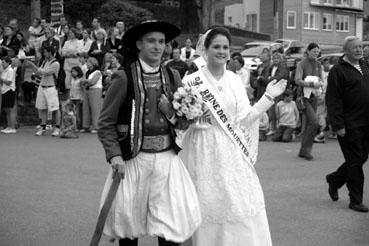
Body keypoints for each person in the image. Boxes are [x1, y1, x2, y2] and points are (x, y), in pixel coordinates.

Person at [97, 20, 201, 246]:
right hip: (134, 160)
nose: (157, 47)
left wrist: (169, 111)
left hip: (167, 160)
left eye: (162, 42)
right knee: (128, 227)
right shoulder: (123, 77)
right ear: (139, 44)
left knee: (170, 226)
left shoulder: (173, 76)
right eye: (151, 41)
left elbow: (184, 122)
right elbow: (105, 122)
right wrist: (115, 155)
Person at [180, 27, 287, 246]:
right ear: (206, 50)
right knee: (209, 200)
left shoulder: (235, 80)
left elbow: (245, 118)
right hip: (204, 148)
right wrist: (198, 119)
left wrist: (268, 97)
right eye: (216, 47)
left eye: (225, 47)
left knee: (238, 200)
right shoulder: (191, 81)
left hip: (232, 149)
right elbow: (182, 120)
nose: (221, 51)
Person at [326, 36, 369, 213]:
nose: (359, 50)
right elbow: (333, 99)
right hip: (349, 124)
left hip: (366, 122)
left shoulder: (365, 65)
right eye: (355, 48)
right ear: (346, 50)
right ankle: (355, 200)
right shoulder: (337, 70)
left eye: (360, 47)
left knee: (361, 158)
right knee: (355, 162)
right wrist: (338, 125)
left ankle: (334, 180)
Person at [295, 43, 323, 160]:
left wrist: (320, 85)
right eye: (314, 52)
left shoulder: (318, 64)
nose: (316, 54)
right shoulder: (301, 64)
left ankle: (304, 150)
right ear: (308, 51)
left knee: (309, 124)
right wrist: (312, 84)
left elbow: (320, 79)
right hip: (303, 98)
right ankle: (306, 150)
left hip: (314, 97)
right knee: (314, 122)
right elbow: (297, 80)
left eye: (317, 52)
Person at [25, 46, 61, 136]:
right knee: (42, 108)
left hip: (51, 87)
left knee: (55, 108)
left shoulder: (56, 63)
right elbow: (39, 72)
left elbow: (45, 72)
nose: (44, 54)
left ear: (50, 52)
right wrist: (34, 73)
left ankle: (57, 128)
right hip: (42, 86)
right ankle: (43, 127)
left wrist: (33, 65)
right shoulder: (45, 61)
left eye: (45, 52)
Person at [80, 57, 102, 133]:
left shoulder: (97, 72)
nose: (87, 64)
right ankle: (86, 126)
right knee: (85, 108)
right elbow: (83, 82)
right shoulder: (87, 72)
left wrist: (85, 81)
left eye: (88, 62)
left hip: (95, 90)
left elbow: (93, 82)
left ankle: (96, 127)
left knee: (95, 109)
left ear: (93, 63)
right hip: (87, 90)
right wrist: (86, 81)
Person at [314, 57, 330, 143]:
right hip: (318, 96)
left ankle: (320, 134)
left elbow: (323, 87)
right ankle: (320, 135)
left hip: (322, 97)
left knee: (320, 116)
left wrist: (321, 96)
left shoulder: (323, 75)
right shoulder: (319, 74)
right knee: (318, 116)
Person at [61, 28, 82, 92]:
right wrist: (71, 54)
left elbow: (78, 52)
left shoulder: (79, 42)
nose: (69, 34)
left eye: (71, 33)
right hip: (67, 64)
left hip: (76, 64)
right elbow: (63, 53)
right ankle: (68, 98)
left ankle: (77, 98)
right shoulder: (66, 42)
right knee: (67, 82)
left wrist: (69, 54)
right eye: (69, 33)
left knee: (76, 82)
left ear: (75, 34)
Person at [0, 56, 17, 133]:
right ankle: (9, 126)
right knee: (7, 110)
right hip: (4, 90)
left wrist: (1, 79)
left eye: (3, 62)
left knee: (10, 110)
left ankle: (12, 128)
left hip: (9, 91)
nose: (2, 64)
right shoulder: (4, 70)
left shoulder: (10, 70)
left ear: (8, 62)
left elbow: (9, 82)